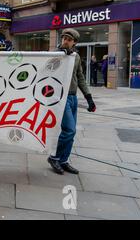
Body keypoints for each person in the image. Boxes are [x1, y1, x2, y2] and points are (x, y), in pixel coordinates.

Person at [48, 29, 96, 175]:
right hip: (60, 97)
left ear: (74, 42)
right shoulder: (55, 55)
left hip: (73, 97)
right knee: (69, 129)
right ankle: (54, 157)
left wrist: (89, 98)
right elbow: (47, 71)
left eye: (69, 39)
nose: (65, 41)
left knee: (71, 132)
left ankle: (63, 160)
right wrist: (61, 57)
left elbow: (80, 77)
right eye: (64, 38)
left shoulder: (75, 56)